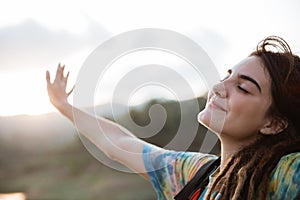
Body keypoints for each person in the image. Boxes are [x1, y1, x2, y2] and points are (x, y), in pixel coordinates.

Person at [46, 36, 300, 200]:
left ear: (274, 123)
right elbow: (121, 143)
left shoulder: (287, 176)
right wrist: (64, 106)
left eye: (243, 88)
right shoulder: (195, 173)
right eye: (227, 76)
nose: (219, 88)